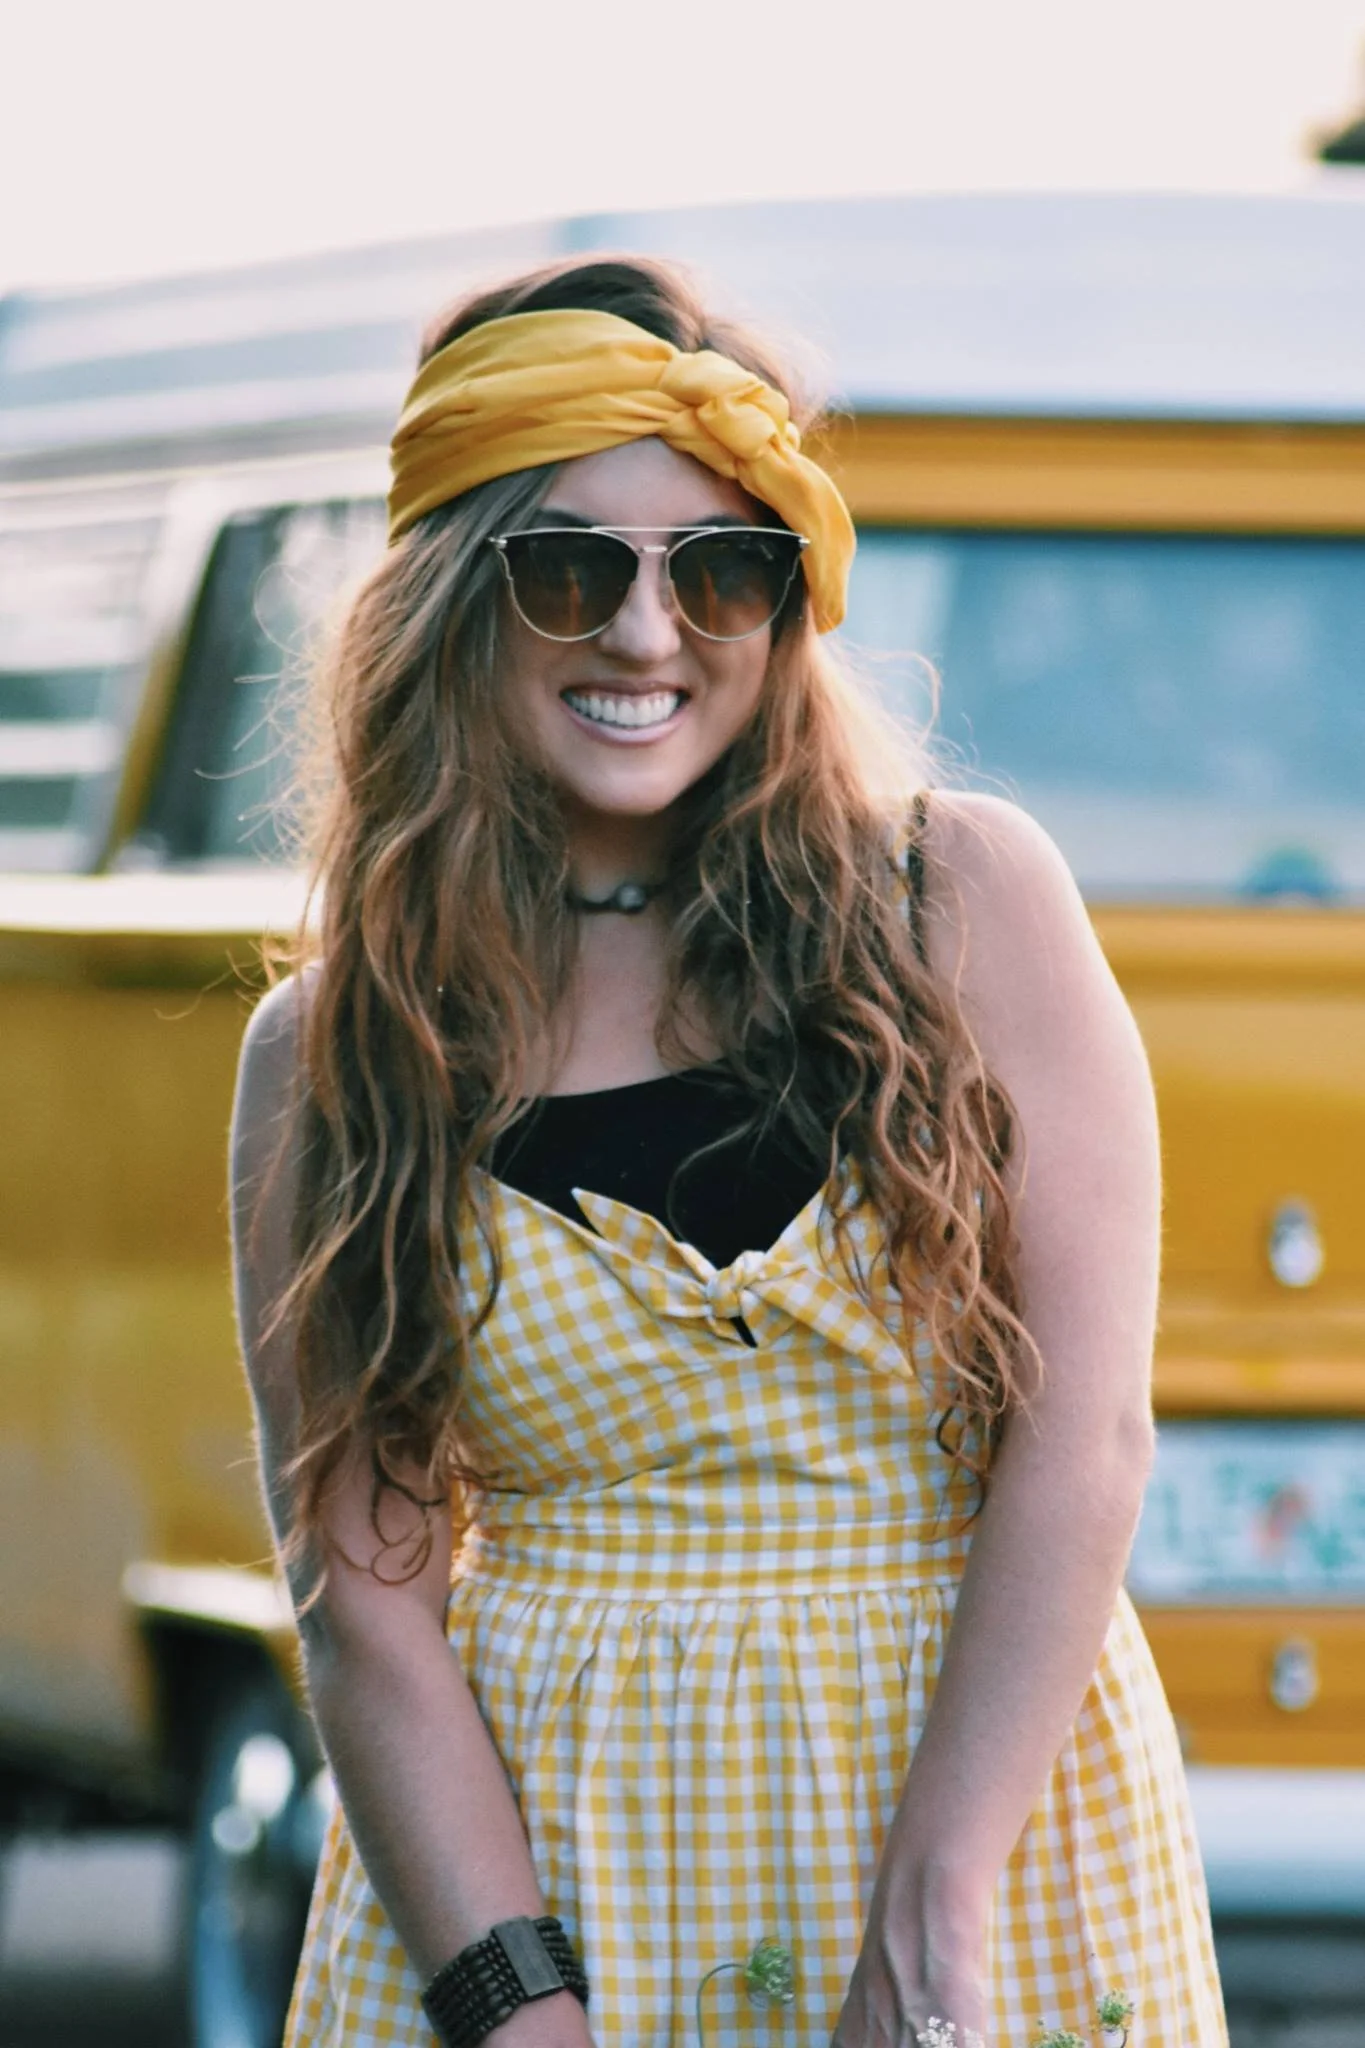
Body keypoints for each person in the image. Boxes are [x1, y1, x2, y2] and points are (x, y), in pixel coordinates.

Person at [229, 254, 1227, 2048]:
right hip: (543, 1884)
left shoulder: (962, 905)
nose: (646, 631)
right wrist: (518, 2008)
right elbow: (362, 1600)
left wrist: (931, 1921)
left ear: (788, 603)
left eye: (723, 568)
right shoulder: (334, 1050)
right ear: (456, 601)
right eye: (568, 569)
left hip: (991, 1862)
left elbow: (1086, 1441)